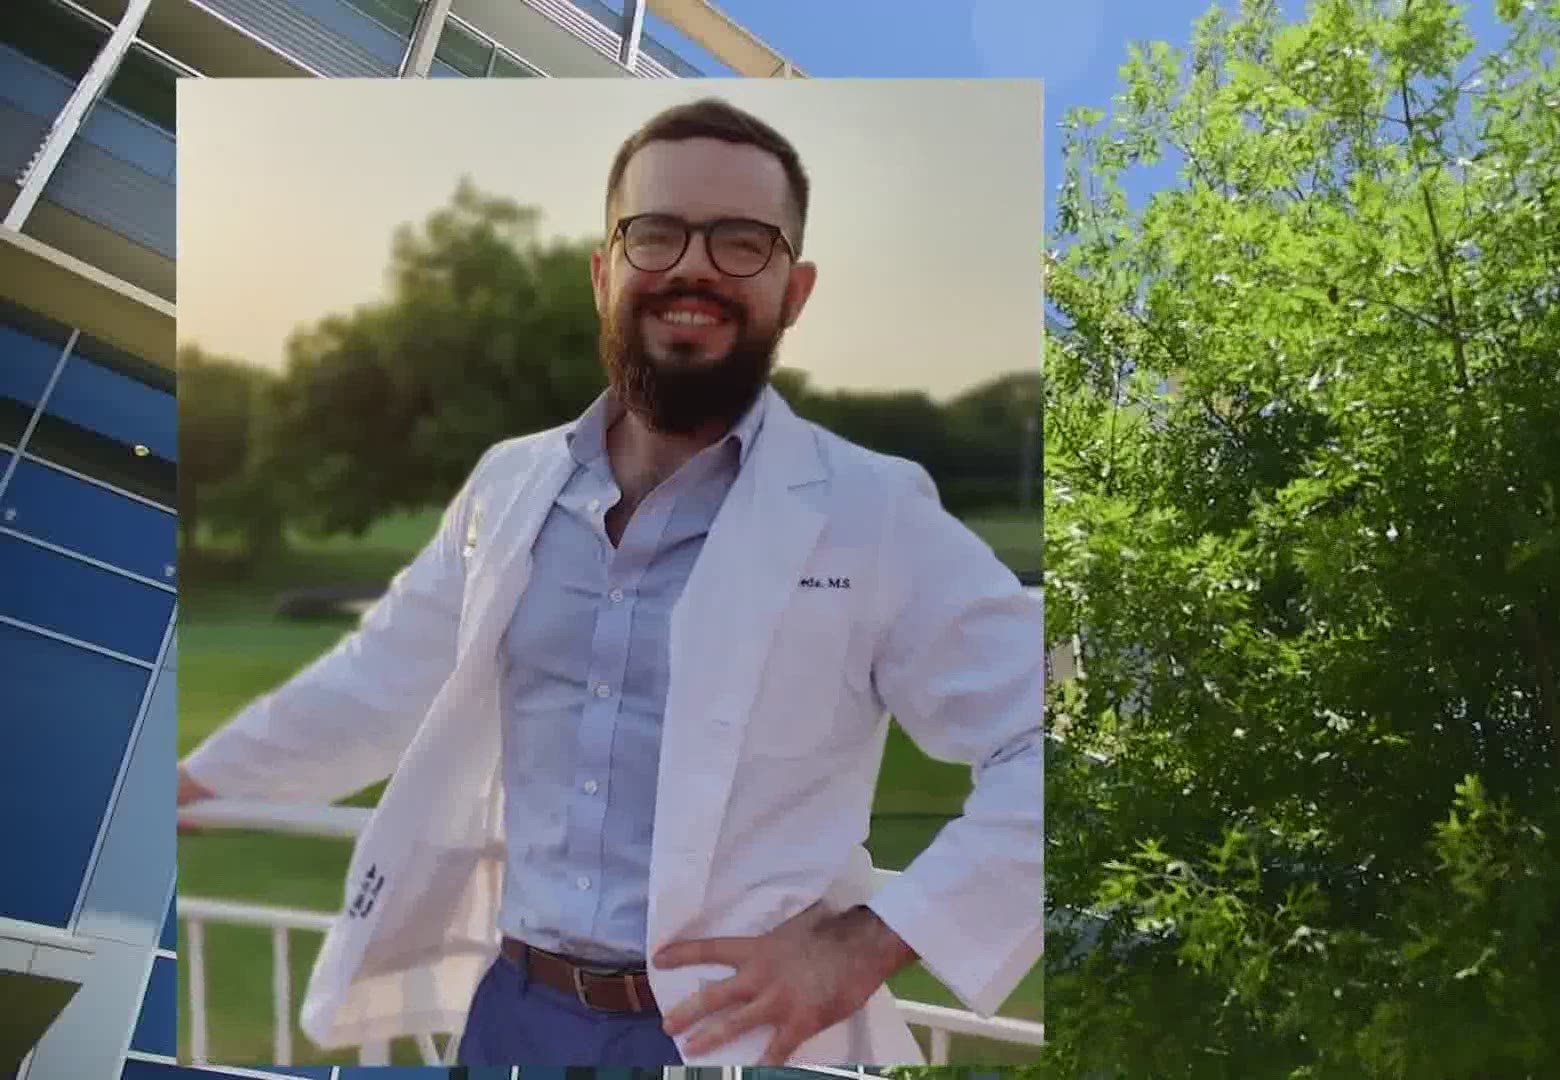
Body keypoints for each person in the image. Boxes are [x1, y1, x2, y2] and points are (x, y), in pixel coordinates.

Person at [176, 97, 1042, 1068]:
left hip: (737, 1039)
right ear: (604, 272)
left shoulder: (874, 512)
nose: (694, 267)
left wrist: (869, 941)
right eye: (657, 232)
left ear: (794, 291)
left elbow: (1049, 739)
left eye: (743, 242)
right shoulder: (509, 483)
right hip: (514, 1018)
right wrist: (196, 785)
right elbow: (383, 677)